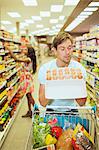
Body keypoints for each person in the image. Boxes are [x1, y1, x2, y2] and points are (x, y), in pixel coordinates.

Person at [38, 31, 87, 110]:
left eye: (69, 48)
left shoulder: (79, 69)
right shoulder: (46, 70)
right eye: (62, 49)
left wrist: (75, 82)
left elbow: (82, 103)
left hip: (71, 111)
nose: (67, 52)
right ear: (54, 51)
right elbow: (43, 103)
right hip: (52, 111)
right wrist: (55, 82)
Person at [8, 45, 37, 118]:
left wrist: (9, 50)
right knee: (28, 96)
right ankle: (30, 111)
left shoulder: (28, 59)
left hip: (27, 79)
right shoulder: (27, 58)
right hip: (26, 78)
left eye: (26, 50)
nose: (24, 51)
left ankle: (37, 110)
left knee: (29, 96)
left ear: (29, 52)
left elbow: (16, 59)